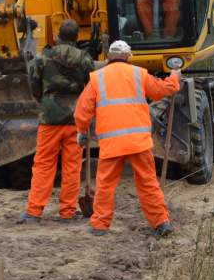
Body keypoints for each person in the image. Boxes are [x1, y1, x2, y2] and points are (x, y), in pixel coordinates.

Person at [74, 39, 181, 236]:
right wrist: (174, 76)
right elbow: (161, 90)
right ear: (128, 57)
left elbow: (82, 110)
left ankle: (99, 225)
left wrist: (82, 132)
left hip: (112, 144)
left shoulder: (97, 78)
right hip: (138, 143)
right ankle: (161, 223)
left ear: (108, 57)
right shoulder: (139, 74)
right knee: (148, 183)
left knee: (105, 185)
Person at [18, 19, 94, 225]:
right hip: (75, 119)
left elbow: (34, 84)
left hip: (49, 118)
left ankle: (34, 211)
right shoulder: (85, 59)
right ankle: (67, 212)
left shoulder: (43, 57)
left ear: (58, 36)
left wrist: (43, 100)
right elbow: (91, 89)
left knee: (43, 164)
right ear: (77, 38)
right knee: (72, 166)